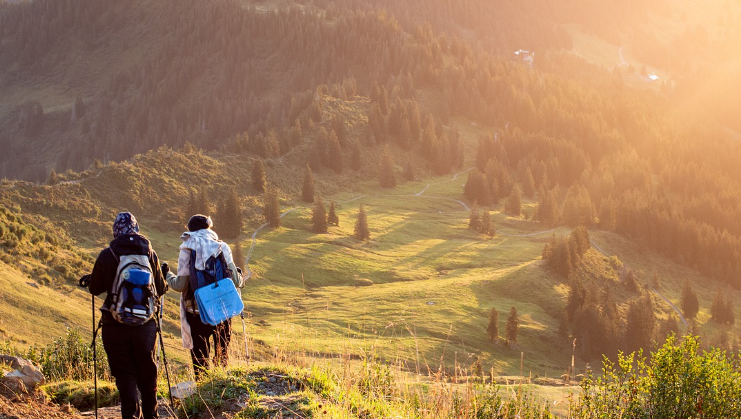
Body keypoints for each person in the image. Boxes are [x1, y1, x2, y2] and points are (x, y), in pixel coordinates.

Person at [88, 212, 166, 419]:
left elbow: (95, 289)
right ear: (136, 228)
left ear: (116, 231)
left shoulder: (108, 254)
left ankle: (131, 416)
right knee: (148, 375)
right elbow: (160, 287)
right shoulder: (150, 254)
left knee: (125, 376)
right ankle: (152, 415)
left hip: (115, 325)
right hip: (146, 326)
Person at [167, 214, 243, 379]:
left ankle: (203, 391)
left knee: (200, 359)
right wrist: (239, 275)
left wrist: (167, 276)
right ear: (209, 228)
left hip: (196, 311)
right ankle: (222, 392)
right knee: (222, 355)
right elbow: (236, 281)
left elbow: (180, 285)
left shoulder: (187, 248)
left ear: (191, 230)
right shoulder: (222, 246)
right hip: (222, 311)